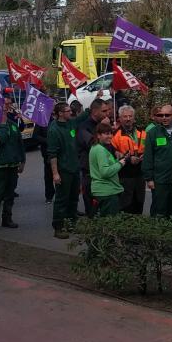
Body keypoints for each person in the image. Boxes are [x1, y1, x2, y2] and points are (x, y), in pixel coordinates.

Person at [0, 93, 25, 229]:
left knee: (10, 194)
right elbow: (0, 140)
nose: (7, 108)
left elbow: (20, 143)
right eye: (4, 106)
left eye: (7, 105)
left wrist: (23, 161)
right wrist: (2, 124)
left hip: (13, 163)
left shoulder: (13, 124)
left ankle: (7, 218)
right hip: (0, 165)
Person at [143, 103, 172, 218]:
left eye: (167, 115)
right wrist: (149, 178)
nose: (164, 118)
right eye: (161, 115)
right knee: (159, 210)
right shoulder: (153, 133)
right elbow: (148, 156)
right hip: (160, 180)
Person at [48, 101, 80, 238]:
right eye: (67, 111)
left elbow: (84, 117)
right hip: (63, 169)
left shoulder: (71, 123)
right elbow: (52, 154)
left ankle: (72, 224)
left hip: (74, 168)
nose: (70, 113)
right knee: (62, 199)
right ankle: (58, 227)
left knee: (74, 198)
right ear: (60, 113)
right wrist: (55, 173)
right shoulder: (54, 129)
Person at [76, 99, 111, 217]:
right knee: (92, 205)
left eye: (108, 110)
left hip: (103, 170)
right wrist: (104, 127)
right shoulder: (84, 127)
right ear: (95, 111)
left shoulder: (101, 124)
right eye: (104, 111)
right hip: (89, 172)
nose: (107, 113)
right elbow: (93, 144)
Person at [112, 105, 147, 215]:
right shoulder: (115, 135)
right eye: (125, 116)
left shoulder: (142, 132)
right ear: (120, 118)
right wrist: (127, 159)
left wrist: (144, 155)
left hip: (140, 173)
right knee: (126, 203)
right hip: (125, 174)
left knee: (139, 201)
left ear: (134, 117)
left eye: (130, 116)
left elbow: (149, 148)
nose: (128, 119)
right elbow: (113, 153)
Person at [89, 121, 127, 217]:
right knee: (110, 225)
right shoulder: (100, 150)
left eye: (110, 133)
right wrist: (120, 163)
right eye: (106, 134)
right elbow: (105, 172)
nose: (110, 136)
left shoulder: (96, 147)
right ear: (98, 135)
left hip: (103, 191)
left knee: (105, 223)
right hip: (107, 192)